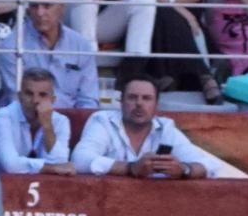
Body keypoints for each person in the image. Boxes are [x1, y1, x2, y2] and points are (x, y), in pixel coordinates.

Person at [71, 74, 217, 178]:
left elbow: (209, 165)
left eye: (146, 98)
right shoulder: (103, 121)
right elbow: (79, 160)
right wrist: (130, 168)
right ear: (120, 101)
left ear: (156, 105)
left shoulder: (166, 128)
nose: (139, 103)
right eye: (132, 97)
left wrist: (184, 169)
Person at [128, 0, 224, 101]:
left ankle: (166, 75)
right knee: (159, 11)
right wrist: (174, 7)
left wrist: (170, 2)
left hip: (186, 3)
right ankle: (204, 76)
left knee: (167, 15)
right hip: (151, 1)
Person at [0, 0, 99, 109]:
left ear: (61, 7)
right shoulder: (11, 46)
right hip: (24, 121)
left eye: (47, 5)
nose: (39, 12)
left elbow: (88, 100)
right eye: (34, 6)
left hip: (71, 121)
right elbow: (16, 98)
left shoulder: (81, 46)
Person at [0, 66, 73, 173]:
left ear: (52, 100)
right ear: (20, 97)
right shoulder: (2, 117)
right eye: (29, 94)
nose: (35, 100)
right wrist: (51, 168)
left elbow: (61, 163)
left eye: (42, 95)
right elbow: (11, 165)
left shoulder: (61, 121)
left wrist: (47, 126)